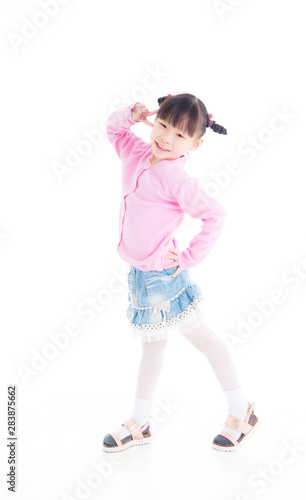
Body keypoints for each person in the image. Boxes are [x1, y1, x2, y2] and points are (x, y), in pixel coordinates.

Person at [102, 92, 259, 453]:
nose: (166, 138)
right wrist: (131, 113)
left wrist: (187, 258)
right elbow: (113, 131)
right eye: (163, 125)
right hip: (140, 275)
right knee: (153, 347)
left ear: (195, 144)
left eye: (179, 135)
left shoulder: (178, 180)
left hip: (163, 277)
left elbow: (215, 216)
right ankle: (140, 422)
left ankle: (241, 410)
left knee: (202, 339)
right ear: (153, 121)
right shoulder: (136, 153)